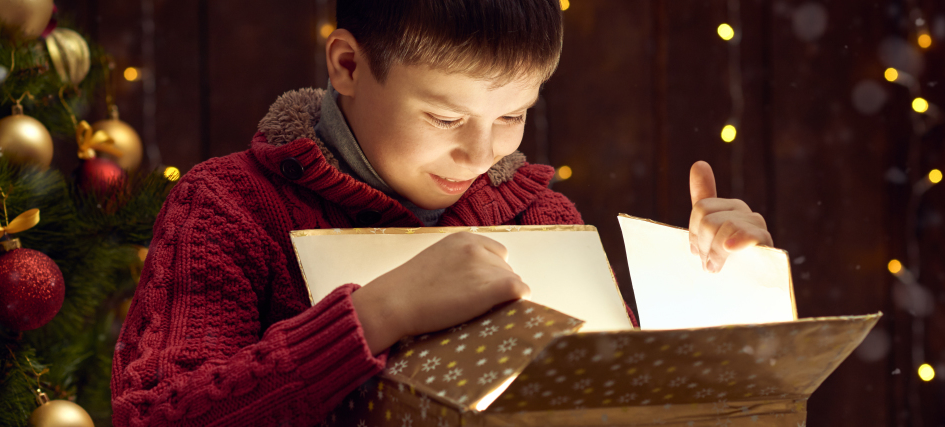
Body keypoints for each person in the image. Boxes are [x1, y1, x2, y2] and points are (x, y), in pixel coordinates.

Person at [110, 1, 772, 425]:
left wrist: (722, 300)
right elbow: (157, 417)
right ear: (347, 64)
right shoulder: (228, 206)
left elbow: (627, 407)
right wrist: (375, 314)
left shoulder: (543, 218)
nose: (480, 152)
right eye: (445, 116)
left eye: (512, 116)